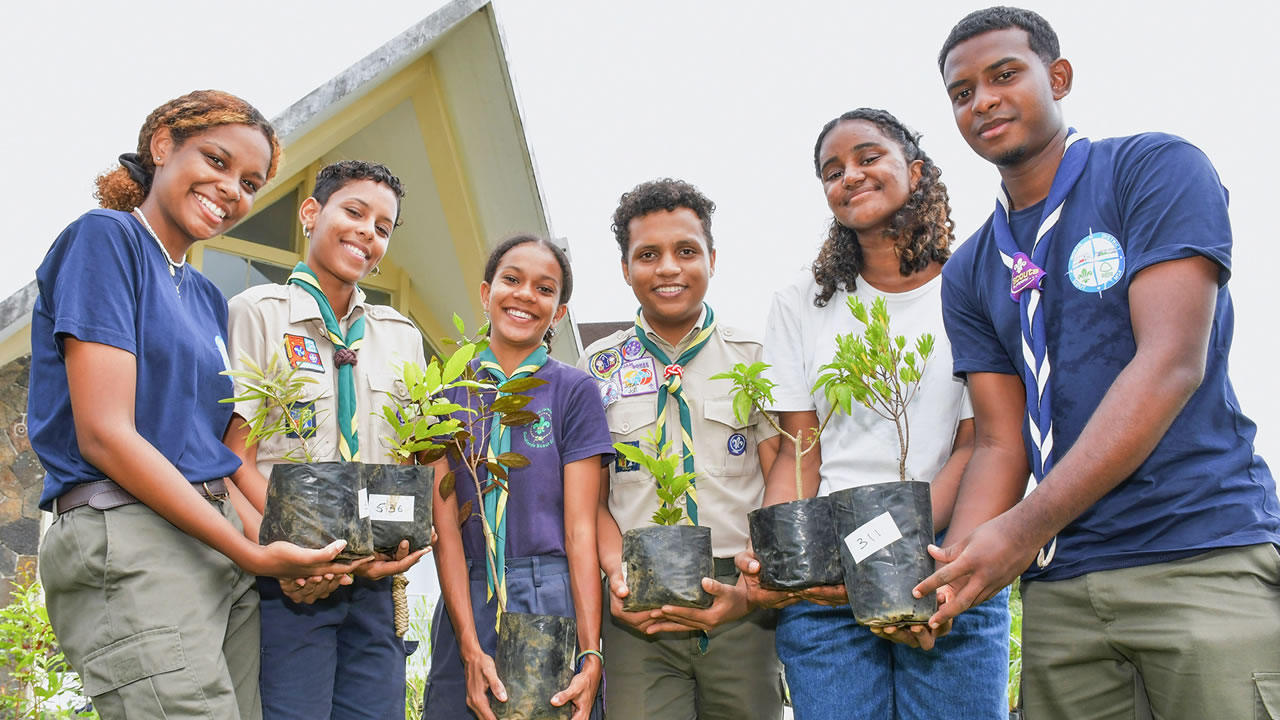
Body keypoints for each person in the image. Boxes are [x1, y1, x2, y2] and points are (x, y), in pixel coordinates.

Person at [915, 7, 1280, 718]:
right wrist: (950, 576)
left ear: (1059, 77)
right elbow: (999, 439)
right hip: (1063, 583)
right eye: (962, 93)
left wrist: (1019, 531)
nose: (982, 100)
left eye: (1003, 75)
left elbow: (1172, 363)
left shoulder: (1151, 168)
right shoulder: (969, 268)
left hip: (1198, 556)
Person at [30, 90, 364, 720]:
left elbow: (212, 457)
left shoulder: (207, 298)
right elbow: (105, 434)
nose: (230, 189)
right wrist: (252, 552)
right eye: (215, 160)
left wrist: (290, 549)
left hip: (213, 546)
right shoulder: (107, 240)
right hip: (133, 540)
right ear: (162, 146)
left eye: (250, 182)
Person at [737, 109, 1009, 719]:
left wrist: (891, 554)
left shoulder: (973, 287)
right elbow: (799, 447)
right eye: (831, 172)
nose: (849, 176)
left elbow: (978, 444)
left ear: (915, 171)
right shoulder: (800, 303)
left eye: (867, 158)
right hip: (825, 577)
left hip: (947, 557)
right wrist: (779, 549)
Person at [222, 160, 431, 719]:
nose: (368, 232)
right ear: (311, 213)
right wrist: (308, 549)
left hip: (374, 587)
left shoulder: (401, 337)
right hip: (289, 584)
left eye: (383, 227)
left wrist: (404, 539)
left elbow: (407, 464)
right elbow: (230, 457)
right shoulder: (259, 314)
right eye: (355, 211)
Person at [582, 178, 785, 720]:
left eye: (686, 251)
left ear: (713, 259)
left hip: (740, 601)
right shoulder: (596, 370)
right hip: (635, 608)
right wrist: (615, 573)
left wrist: (750, 586)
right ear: (625, 269)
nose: (668, 267)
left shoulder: (755, 360)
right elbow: (591, 500)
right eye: (648, 254)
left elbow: (781, 476)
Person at [424, 233, 612, 720]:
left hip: (551, 592)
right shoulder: (444, 392)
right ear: (486, 294)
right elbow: (444, 528)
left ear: (560, 313)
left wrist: (589, 651)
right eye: (512, 280)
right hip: (468, 589)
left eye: (545, 288)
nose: (526, 294)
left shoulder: (575, 391)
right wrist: (468, 642)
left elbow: (581, 528)